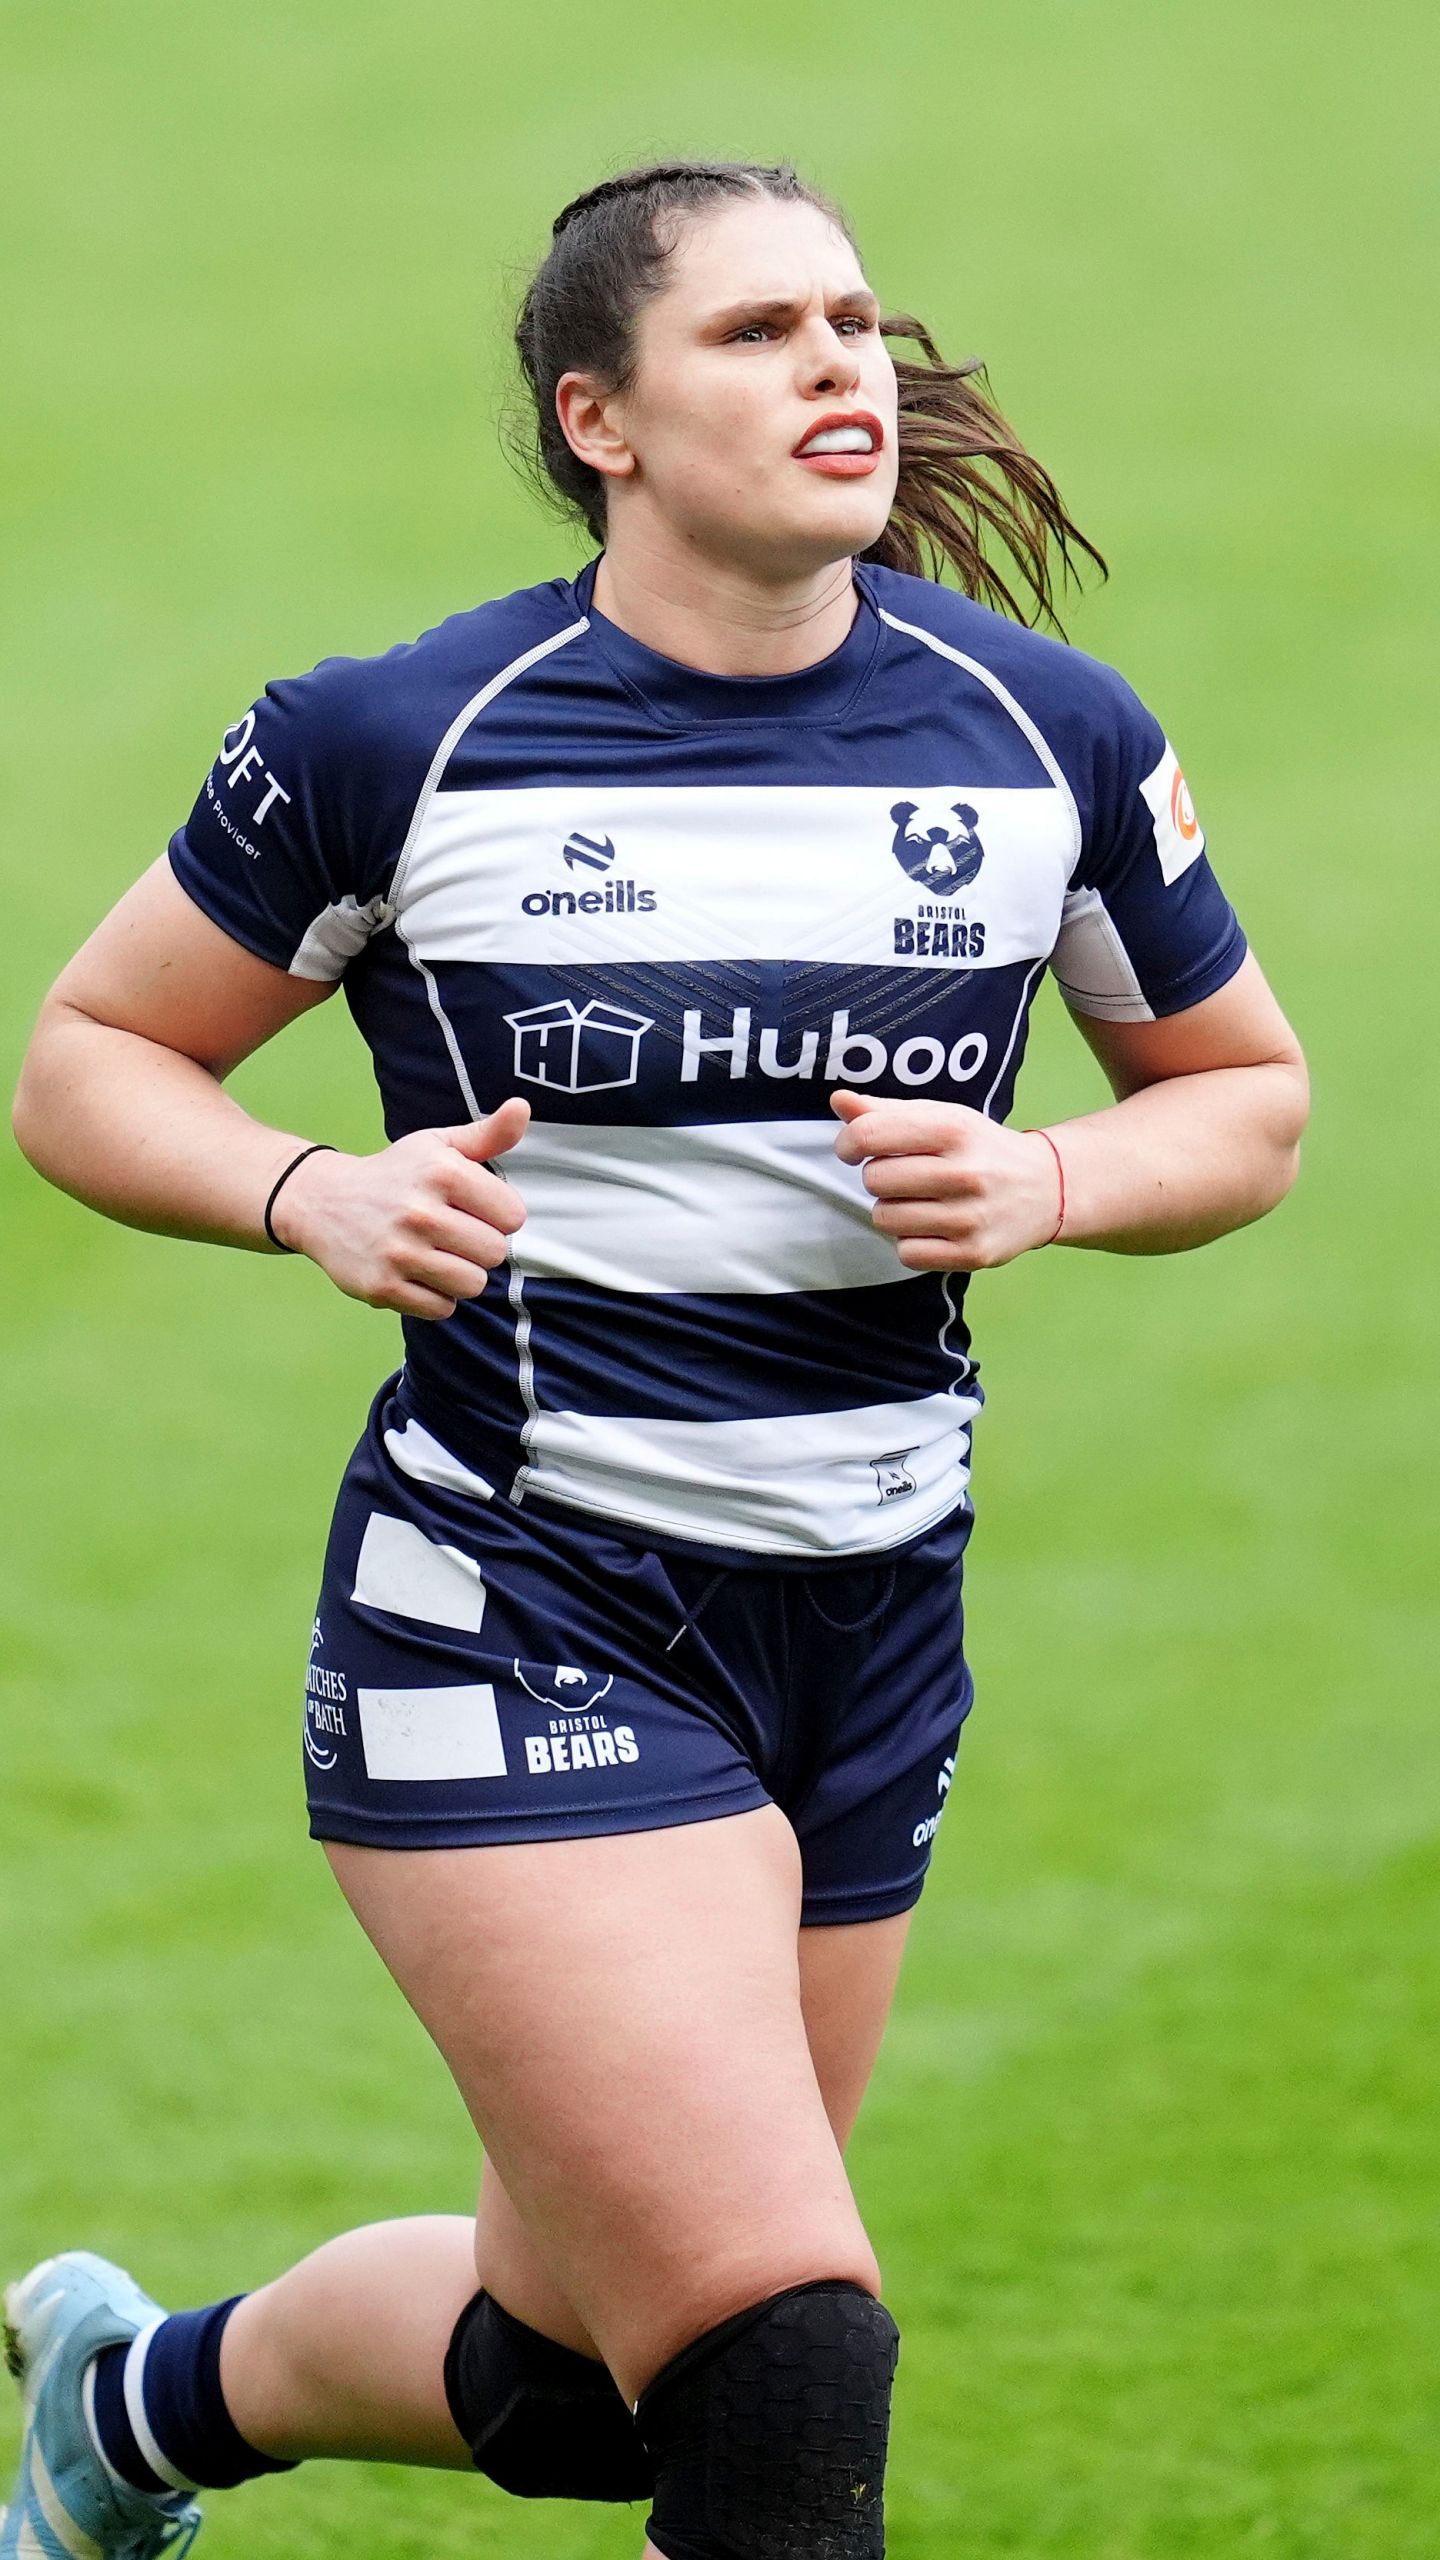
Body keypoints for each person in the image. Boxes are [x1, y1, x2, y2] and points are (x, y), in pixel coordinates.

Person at [4, 159, 1308, 2560]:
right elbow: (89, 1055)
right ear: (599, 416)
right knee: (783, 2343)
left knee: (601, 2370)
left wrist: (1053, 1180)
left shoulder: (1049, 736)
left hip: (869, 1609)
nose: (844, 366)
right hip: (518, 1598)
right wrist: (312, 1191)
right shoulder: (408, 734)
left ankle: (137, 2402)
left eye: (856, 320)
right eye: (761, 333)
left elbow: (1244, 1094)